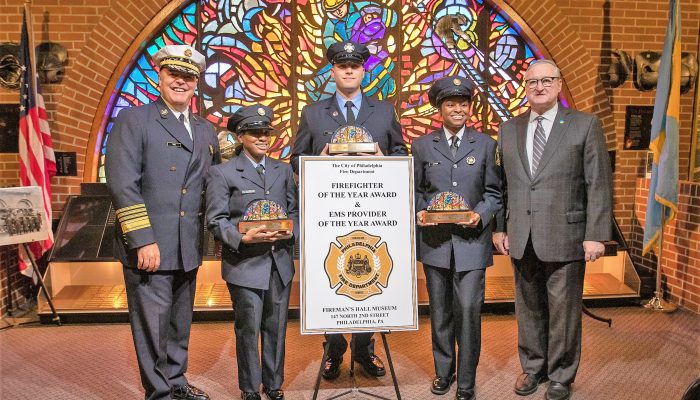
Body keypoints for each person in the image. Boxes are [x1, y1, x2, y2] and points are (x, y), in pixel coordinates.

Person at [492, 59, 612, 400]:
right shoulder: (508, 128)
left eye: (547, 81)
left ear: (559, 85)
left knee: (563, 312)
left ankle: (561, 375)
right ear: (525, 88)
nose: (539, 87)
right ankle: (533, 368)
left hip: (567, 235)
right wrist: (500, 229)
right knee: (527, 309)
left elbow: (598, 183)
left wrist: (595, 234)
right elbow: (502, 185)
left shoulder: (584, 125)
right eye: (532, 82)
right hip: (521, 236)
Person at [105, 45, 219, 400]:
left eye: (188, 77)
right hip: (151, 243)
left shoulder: (206, 130)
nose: (180, 82)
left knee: (178, 322)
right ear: (160, 76)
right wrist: (142, 239)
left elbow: (212, 183)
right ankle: (159, 393)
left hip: (187, 242)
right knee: (153, 325)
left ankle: (176, 382)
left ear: (197, 83)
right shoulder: (134, 120)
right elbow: (123, 184)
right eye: (174, 75)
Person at [290, 40, 407, 380]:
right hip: (329, 213)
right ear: (333, 70)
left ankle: (363, 348)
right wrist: (318, 160)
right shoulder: (313, 113)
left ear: (363, 70)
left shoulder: (385, 111)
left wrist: (387, 160)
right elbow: (296, 160)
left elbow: (401, 155)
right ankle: (333, 348)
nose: (349, 70)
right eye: (342, 66)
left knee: (369, 276)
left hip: (373, 211)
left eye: (355, 66)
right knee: (331, 278)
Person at [412, 77, 502, 400]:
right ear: (440, 109)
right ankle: (443, 372)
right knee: (440, 312)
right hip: (435, 243)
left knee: (467, 309)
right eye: (451, 104)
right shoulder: (422, 146)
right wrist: (421, 211)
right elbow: (417, 191)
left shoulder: (486, 145)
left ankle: (466, 380)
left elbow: (494, 193)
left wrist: (480, 213)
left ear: (470, 107)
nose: (458, 109)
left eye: (463, 103)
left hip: (472, 244)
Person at [206, 105, 298, 400]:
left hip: (279, 262)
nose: (262, 138)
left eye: (266, 133)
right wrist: (242, 236)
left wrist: (292, 229)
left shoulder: (282, 170)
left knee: (276, 328)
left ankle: (273, 385)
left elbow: (294, 210)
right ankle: (249, 388)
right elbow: (215, 220)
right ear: (241, 135)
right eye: (255, 133)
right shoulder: (222, 173)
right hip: (244, 265)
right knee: (248, 330)